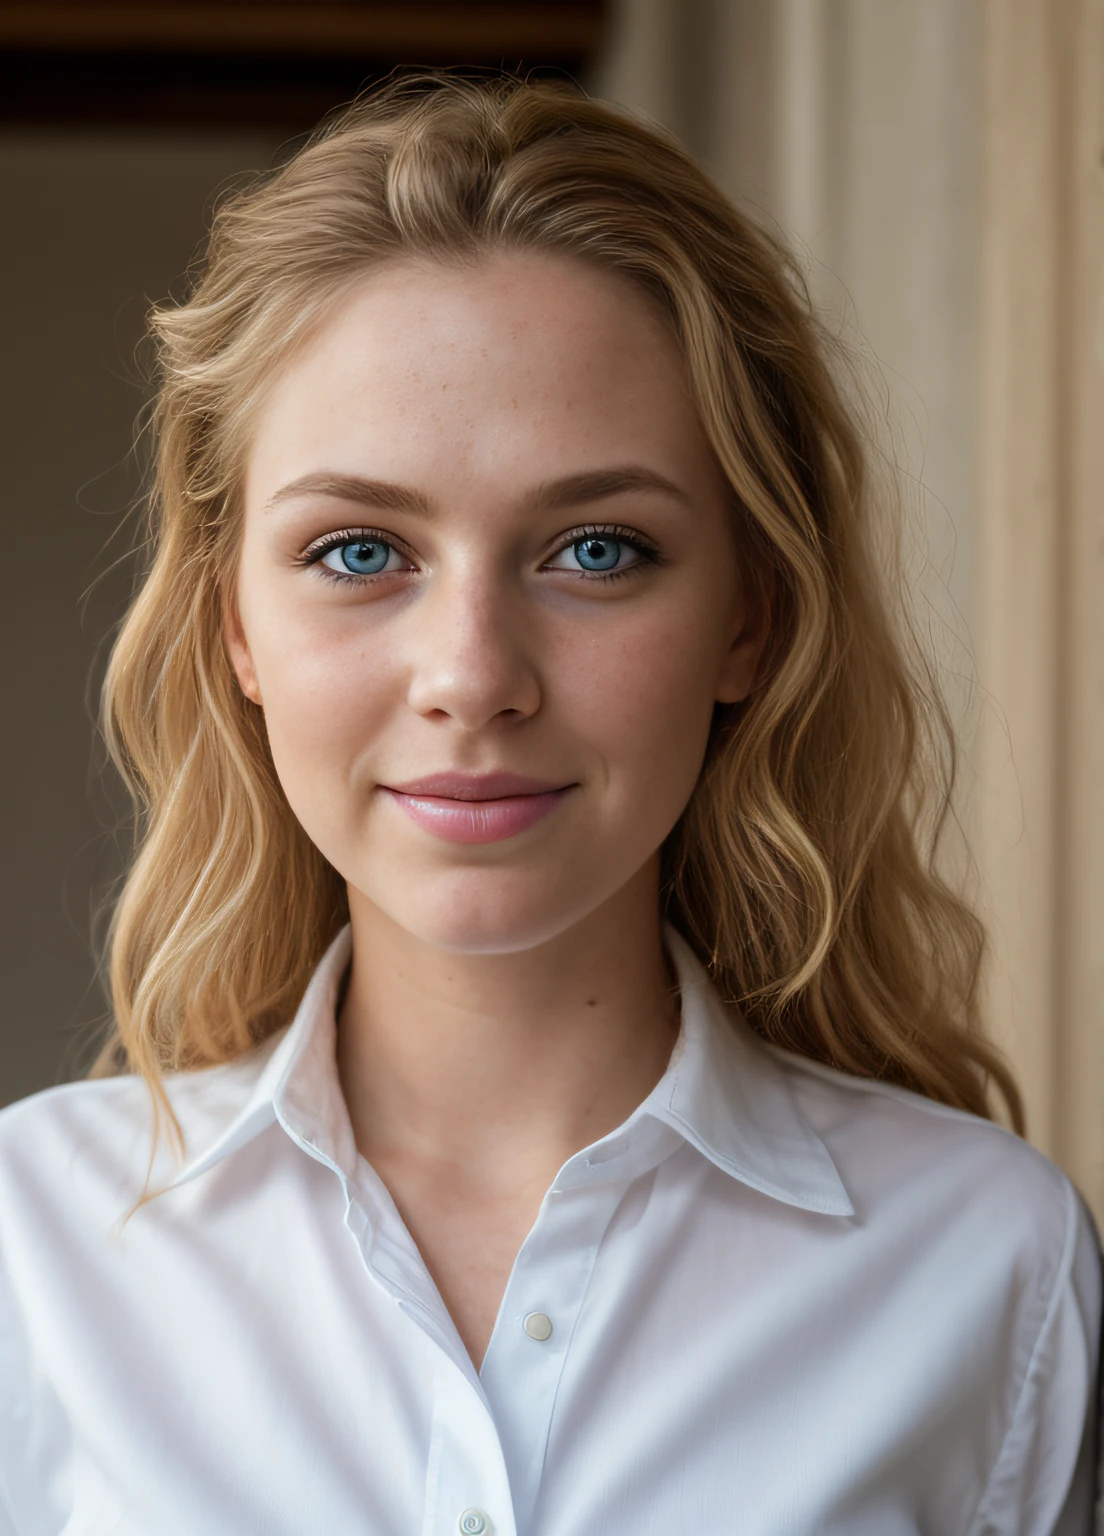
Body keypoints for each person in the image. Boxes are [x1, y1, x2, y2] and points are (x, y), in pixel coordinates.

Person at [0, 74, 1098, 1535]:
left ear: (751, 619)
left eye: (594, 549)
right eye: (355, 552)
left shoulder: (989, 1268)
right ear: (234, 633)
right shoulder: (32, 1252)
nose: (471, 678)